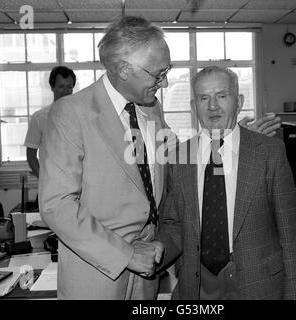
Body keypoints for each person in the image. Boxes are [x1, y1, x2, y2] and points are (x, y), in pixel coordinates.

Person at [39, 15, 282, 300]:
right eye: (158, 74)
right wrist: (127, 255)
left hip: (149, 270)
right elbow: (57, 205)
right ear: (123, 69)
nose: (165, 83)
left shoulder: (150, 108)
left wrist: (232, 140)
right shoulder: (70, 114)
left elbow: (180, 162)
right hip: (98, 271)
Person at [158, 66, 296, 300]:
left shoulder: (270, 153)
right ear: (193, 106)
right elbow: (173, 225)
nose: (213, 106)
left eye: (222, 96)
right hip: (197, 287)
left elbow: (291, 239)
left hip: (259, 285)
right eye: (204, 98)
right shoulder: (178, 157)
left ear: (238, 101)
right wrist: (154, 252)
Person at [24, 66, 76, 179]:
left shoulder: (81, 116)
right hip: (50, 185)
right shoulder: (39, 118)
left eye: (69, 87)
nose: (65, 91)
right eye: (61, 86)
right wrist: (43, 179)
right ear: (52, 87)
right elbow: (31, 155)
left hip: (77, 184)